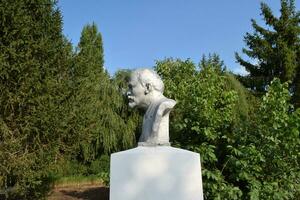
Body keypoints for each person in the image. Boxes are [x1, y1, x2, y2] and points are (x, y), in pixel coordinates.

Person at [127, 69, 176, 146]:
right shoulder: (149, 111)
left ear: (147, 87)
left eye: (131, 87)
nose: (128, 92)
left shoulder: (162, 106)